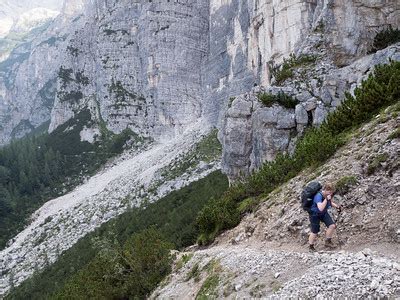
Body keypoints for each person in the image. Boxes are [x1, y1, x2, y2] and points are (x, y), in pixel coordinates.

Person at [308, 183, 341, 251]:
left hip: (323, 213)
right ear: (325, 190)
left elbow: (330, 203)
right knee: (315, 231)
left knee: (332, 225)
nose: (330, 194)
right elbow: (320, 208)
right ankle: (311, 246)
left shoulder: (328, 195)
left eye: (331, 192)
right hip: (314, 214)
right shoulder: (318, 196)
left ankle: (327, 242)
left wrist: (337, 206)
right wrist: (326, 199)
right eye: (329, 192)